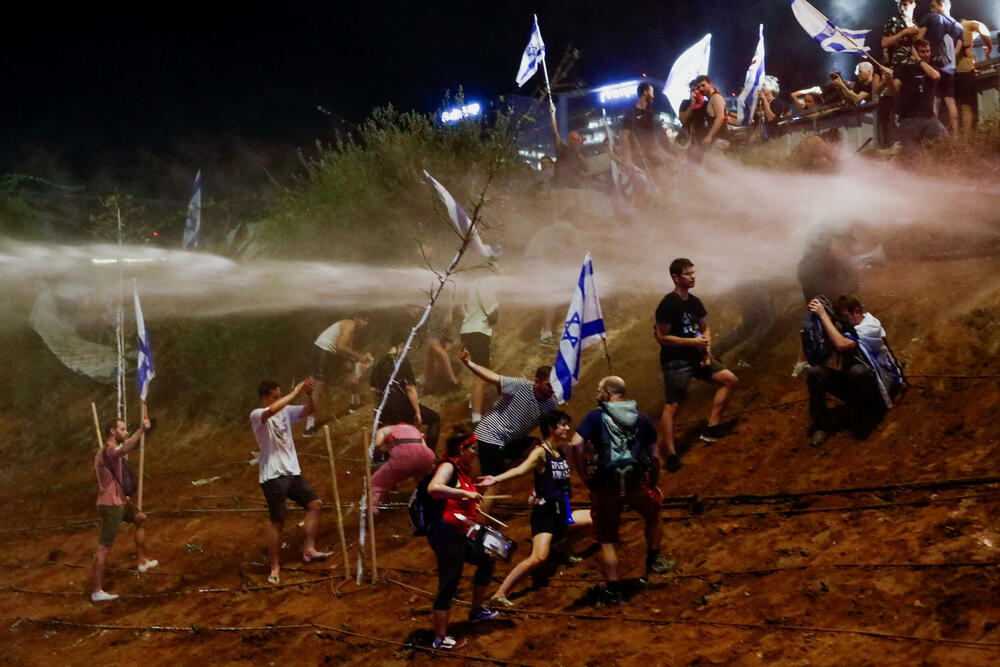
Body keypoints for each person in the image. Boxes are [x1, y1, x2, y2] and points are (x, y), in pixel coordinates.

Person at [568, 376, 675, 607]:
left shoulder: (596, 416)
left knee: (607, 539)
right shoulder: (641, 417)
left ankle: (613, 592)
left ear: (607, 393)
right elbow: (655, 457)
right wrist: (654, 483)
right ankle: (654, 560)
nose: (597, 394)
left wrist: (583, 474)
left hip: (606, 487)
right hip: (636, 483)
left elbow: (575, 444)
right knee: (654, 513)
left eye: (599, 390)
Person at [478, 411, 592, 607]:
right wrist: (496, 478)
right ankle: (500, 593)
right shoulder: (541, 452)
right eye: (563, 424)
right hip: (545, 515)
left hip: (561, 512)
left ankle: (561, 544)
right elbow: (521, 469)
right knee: (539, 557)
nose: (567, 428)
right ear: (551, 428)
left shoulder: (561, 451)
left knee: (596, 518)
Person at [655, 258, 738, 470]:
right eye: (688, 274)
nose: (693, 277)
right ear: (675, 277)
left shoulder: (694, 302)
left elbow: (705, 327)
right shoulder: (668, 304)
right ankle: (671, 454)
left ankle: (711, 427)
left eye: (693, 273)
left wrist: (707, 352)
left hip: (697, 356)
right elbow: (662, 337)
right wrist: (692, 342)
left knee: (729, 380)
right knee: (673, 406)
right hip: (676, 361)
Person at [251, 378, 331, 584]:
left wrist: (309, 394)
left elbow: (309, 410)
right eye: (275, 396)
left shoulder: (285, 411)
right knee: (278, 522)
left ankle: (309, 550)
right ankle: (275, 567)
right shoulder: (257, 415)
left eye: (280, 394)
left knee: (315, 504)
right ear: (264, 398)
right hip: (272, 475)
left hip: (292, 471)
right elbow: (272, 410)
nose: (279, 399)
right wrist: (295, 392)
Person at [426, 426, 499, 650]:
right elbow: (434, 488)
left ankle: (476, 612)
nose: (475, 452)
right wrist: (466, 493)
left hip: (460, 532)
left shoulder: (463, 471)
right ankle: (440, 638)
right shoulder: (449, 466)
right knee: (450, 581)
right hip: (445, 533)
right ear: (461, 449)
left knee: (487, 558)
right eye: (473, 448)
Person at [458, 346, 557, 512]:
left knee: (538, 448)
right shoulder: (522, 386)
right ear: (537, 381)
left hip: (507, 441)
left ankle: (535, 489)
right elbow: (492, 378)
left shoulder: (550, 404)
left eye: (554, 385)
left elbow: (548, 433)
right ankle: (479, 525)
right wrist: (469, 363)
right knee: (494, 483)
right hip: (489, 435)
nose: (552, 389)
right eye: (548, 385)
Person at [802, 299, 887, 447]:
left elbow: (842, 344)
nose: (844, 322)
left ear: (857, 311)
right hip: (854, 387)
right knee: (814, 372)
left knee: (858, 371)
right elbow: (821, 352)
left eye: (846, 316)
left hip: (876, 389)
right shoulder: (848, 329)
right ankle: (822, 425)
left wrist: (823, 315)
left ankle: (867, 415)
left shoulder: (869, 326)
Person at [91, 416, 157, 602]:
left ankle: (141, 562)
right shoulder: (109, 451)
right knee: (104, 548)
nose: (125, 432)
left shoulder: (110, 451)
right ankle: (97, 591)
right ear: (112, 432)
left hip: (120, 501)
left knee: (141, 518)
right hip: (111, 504)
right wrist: (141, 430)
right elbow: (126, 447)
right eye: (122, 429)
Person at [370, 329, 441, 451]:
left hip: (383, 409)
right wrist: (417, 411)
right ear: (401, 344)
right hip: (401, 406)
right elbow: (410, 388)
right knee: (435, 419)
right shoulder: (402, 360)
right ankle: (429, 454)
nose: (408, 349)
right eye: (407, 346)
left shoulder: (378, 362)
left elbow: (373, 388)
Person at [307, 316, 370, 432]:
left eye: (367, 321)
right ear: (357, 318)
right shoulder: (350, 325)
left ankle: (354, 403)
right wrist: (359, 357)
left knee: (351, 368)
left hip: (328, 352)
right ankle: (309, 426)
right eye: (364, 320)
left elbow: (347, 349)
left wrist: (356, 360)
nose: (365, 324)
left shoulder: (350, 328)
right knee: (318, 389)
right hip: (324, 352)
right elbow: (340, 346)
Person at [885, 40, 947, 155]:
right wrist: (889, 79)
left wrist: (919, 60)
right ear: (914, 53)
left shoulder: (932, 68)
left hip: (929, 118)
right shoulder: (904, 69)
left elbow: (935, 76)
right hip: (909, 119)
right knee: (910, 155)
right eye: (923, 52)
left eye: (928, 51)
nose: (927, 54)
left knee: (946, 143)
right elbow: (893, 91)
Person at [917, 0, 964, 134]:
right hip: (949, 67)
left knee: (933, 101)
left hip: (933, 66)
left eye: (933, 6)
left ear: (941, 5)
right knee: (950, 101)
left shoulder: (930, 17)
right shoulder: (958, 26)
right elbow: (956, 51)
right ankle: (956, 136)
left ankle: (934, 137)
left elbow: (918, 40)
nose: (931, 9)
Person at [370, 422, 437, 513]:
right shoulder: (414, 429)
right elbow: (424, 446)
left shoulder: (386, 429)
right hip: (426, 456)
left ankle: (372, 510)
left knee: (375, 483)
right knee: (422, 480)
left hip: (403, 457)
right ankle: (434, 502)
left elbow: (377, 445)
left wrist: (371, 452)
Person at [459, 276, 500, 425]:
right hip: (479, 331)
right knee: (481, 376)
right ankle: (476, 417)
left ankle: (472, 403)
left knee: (477, 370)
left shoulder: (470, 284)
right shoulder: (488, 285)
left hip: (467, 330)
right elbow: (493, 310)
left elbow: (462, 306)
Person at [881, 0, 919, 145]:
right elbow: (884, 42)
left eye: (905, 4)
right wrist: (904, 32)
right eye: (900, 4)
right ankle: (896, 143)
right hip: (898, 69)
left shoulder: (916, 24)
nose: (902, 7)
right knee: (896, 105)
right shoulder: (894, 21)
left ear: (913, 4)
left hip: (914, 70)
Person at [621, 81, 671, 173]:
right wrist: (627, 158)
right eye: (651, 92)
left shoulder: (650, 114)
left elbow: (653, 138)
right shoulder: (631, 114)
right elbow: (624, 138)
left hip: (654, 157)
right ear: (645, 93)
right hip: (639, 160)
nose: (653, 96)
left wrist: (664, 154)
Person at [955, 18, 994, 137]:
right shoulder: (968, 24)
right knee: (967, 107)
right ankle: (967, 139)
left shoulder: (951, 29)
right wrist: (989, 46)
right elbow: (983, 28)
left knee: (958, 107)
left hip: (953, 72)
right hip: (965, 72)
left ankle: (957, 138)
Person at [550, 111, 590, 188]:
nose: (576, 142)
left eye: (578, 140)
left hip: (575, 189)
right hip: (561, 189)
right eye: (573, 139)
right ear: (568, 140)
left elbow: (586, 168)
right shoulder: (561, 149)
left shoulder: (579, 154)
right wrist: (553, 114)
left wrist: (578, 154)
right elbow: (555, 133)